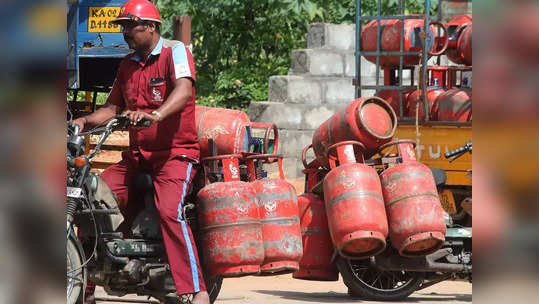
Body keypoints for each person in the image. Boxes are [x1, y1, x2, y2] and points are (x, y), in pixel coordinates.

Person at [73, 0, 209, 303]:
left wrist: (157, 115)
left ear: (150, 26)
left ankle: (197, 290)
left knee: (170, 212)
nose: (125, 33)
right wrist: (82, 121)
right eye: (123, 27)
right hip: (136, 157)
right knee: (90, 201)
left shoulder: (175, 51)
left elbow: (184, 90)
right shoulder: (128, 64)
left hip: (175, 154)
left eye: (130, 26)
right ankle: (84, 284)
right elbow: (111, 108)